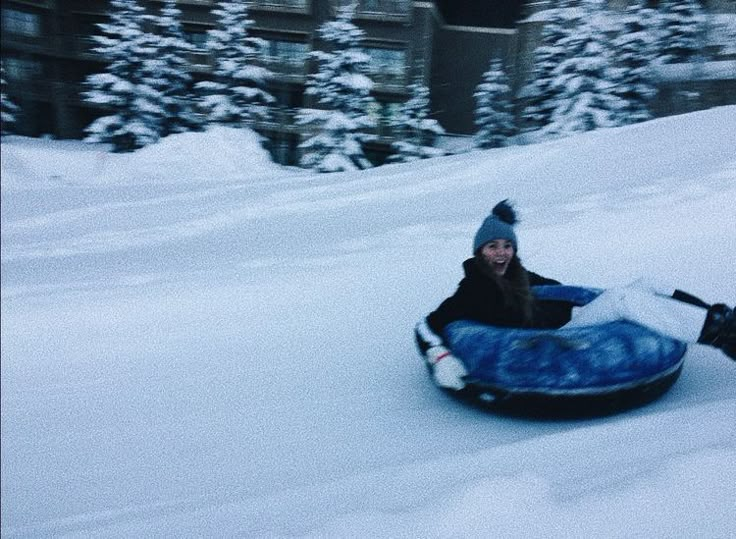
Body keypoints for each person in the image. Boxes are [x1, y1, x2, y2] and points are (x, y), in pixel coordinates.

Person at [415, 200, 736, 391]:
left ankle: (720, 316)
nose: (501, 253)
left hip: (578, 321)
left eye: (507, 246)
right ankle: (723, 336)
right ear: (479, 251)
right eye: (492, 247)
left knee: (646, 283)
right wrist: (440, 358)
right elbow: (426, 326)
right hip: (558, 339)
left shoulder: (521, 276)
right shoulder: (470, 290)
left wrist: (587, 299)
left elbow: (563, 290)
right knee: (623, 301)